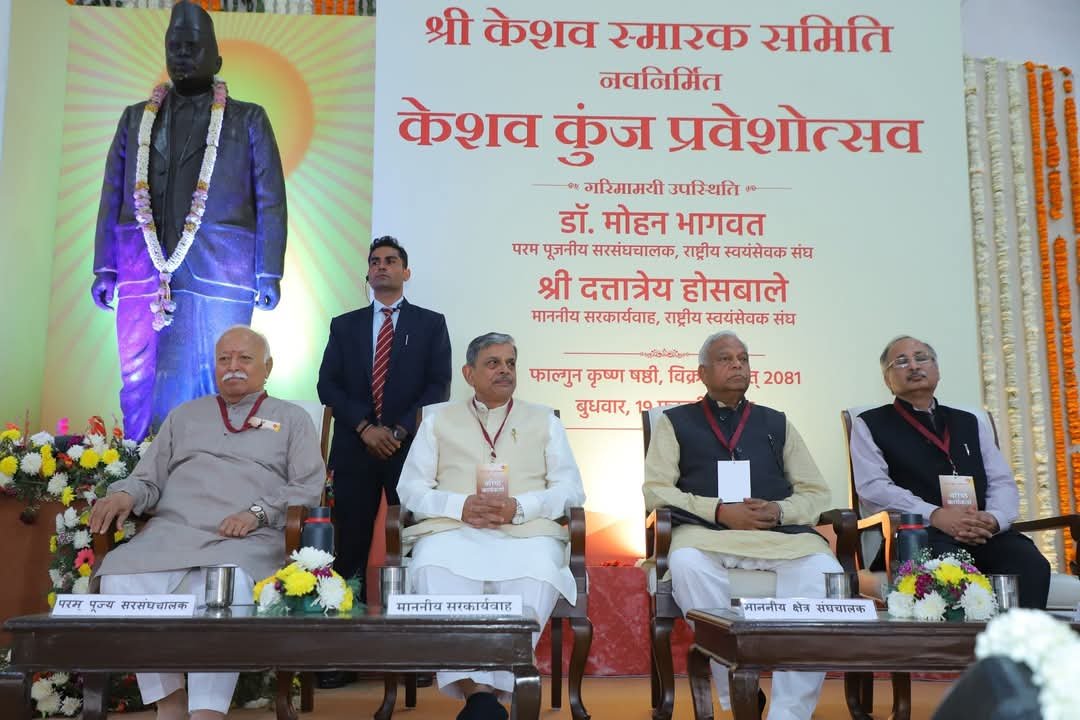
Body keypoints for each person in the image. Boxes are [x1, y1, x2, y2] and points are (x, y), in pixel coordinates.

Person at [88, 325, 325, 720]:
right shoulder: (185, 416)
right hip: (172, 532)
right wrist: (125, 495)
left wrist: (258, 514)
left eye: (245, 358)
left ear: (268, 367)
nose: (233, 366)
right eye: (224, 359)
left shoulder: (292, 418)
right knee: (119, 577)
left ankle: (207, 710)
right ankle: (169, 701)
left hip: (245, 537)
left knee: (223, 589)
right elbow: (148, 478)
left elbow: (308, 486)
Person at [91, 0, 287, 441]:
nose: (181, 55)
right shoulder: (136, 118)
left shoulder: (248, 118)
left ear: (216, 59)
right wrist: (105, 267)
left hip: (222, 269)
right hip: (141, 265)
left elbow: (271, 198)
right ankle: (138, 458)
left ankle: (209, 460)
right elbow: (112, 195)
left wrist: (268, 272)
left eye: (192, 47)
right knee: (138, 373)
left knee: (218, 370)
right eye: (174, 47)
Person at [643, 330, 840, 720]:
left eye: (743, 358)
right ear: (702, 373)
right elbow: (656, 491)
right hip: (706, 534)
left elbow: (816, 492)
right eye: (725, 358)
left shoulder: (776, 422)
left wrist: (780, 511)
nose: (737, 365)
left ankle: (789, 712)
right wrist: (718, 511)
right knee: (685, 564)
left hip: (780, 537)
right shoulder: (674, 422)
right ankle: (739, 693)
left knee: (824, 573)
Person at [397, 332, 585, 720]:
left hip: (527, 531)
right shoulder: (437, 420)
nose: (505, 371)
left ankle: (483, 700)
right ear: (469, 373)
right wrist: (459, 506)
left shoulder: (544, 420)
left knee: (537, 571)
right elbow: (410, 489)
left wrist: (521, 506)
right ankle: (480, 694)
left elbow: (571, 490)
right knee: (432, 567)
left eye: (510, 363)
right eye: (493, 363)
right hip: (453, 530)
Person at [849, 335, 1051, 609]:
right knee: (948, 573)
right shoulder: (870, 423)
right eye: (902, 362)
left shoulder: (969, 421)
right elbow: (873, 488)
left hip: (982, 531)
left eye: (921, 358)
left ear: (937, 370)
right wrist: (935, 515)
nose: (914, 366)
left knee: (1029, 563)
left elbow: (1001, 481)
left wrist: (993, 519)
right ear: (887, 380)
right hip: (922, 534)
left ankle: (1018, 636)